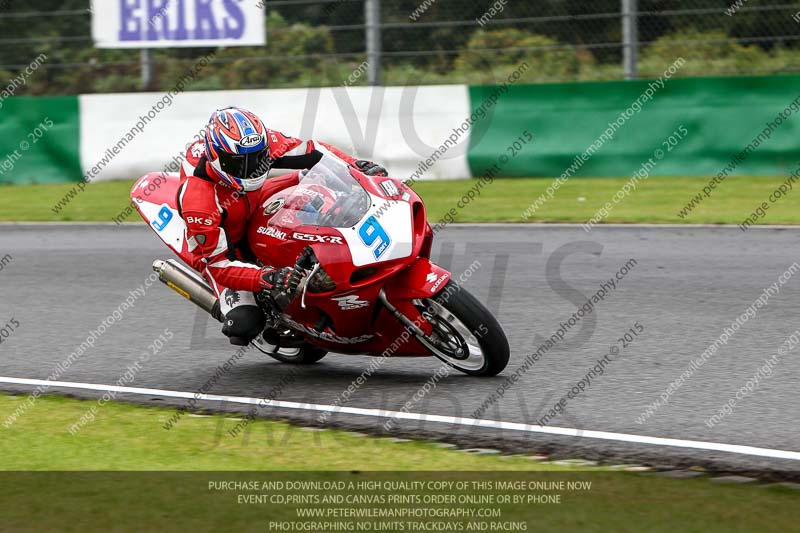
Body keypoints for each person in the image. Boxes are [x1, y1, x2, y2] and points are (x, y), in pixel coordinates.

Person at [177, 106, 387, 346]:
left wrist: (357, 166)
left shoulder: (259, 143)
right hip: (225, 243)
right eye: (240, 163)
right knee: (245, 323)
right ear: (216, 158)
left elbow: (314, 151)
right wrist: (268, 277)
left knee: (317, 178)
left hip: (252, 200)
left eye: (258, 158)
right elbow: (218, 265)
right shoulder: (198, 201)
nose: (252, 167)